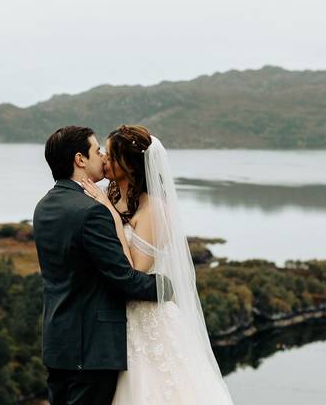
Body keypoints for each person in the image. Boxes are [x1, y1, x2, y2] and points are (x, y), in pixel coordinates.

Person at [78, 125, 234, 405]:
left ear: (131, 164)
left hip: (146, 318)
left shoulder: (154, 209)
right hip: (115, 318)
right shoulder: (111, 196)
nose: (104, 161)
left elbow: (134, 271)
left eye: (111, 156)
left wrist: (109, 215)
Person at [34, 125, 166, 405]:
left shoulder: (45, 205)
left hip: (58, 343)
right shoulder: (92, 211)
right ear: (80, 160)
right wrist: (168, 286)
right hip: (91, 349)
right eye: (97, 151)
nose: (103, 157)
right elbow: (123, 278)